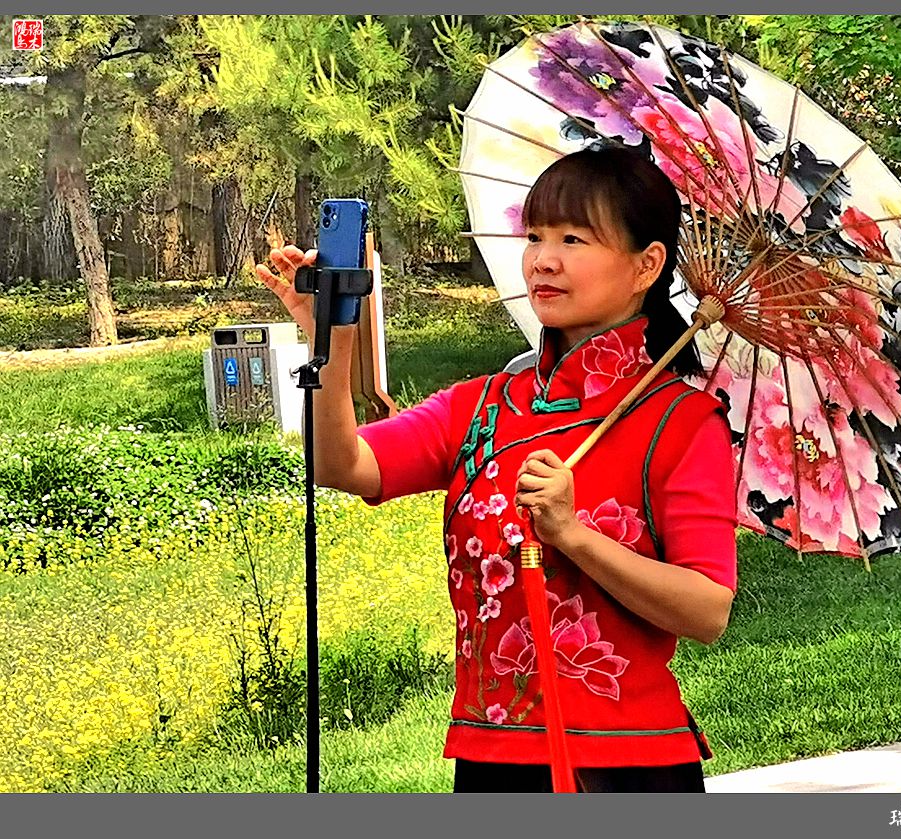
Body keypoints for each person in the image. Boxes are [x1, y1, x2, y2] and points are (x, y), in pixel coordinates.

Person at [255, 146, 737, 793]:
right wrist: (331, 340)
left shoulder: (681, 423)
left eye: (574, 237)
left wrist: (573, 535)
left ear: (646, 264)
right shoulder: (480, 408)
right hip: (491, 760)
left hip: (628, 768)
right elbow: (342, 463)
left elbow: (707, 609)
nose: (544, 257)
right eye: (535, 235)